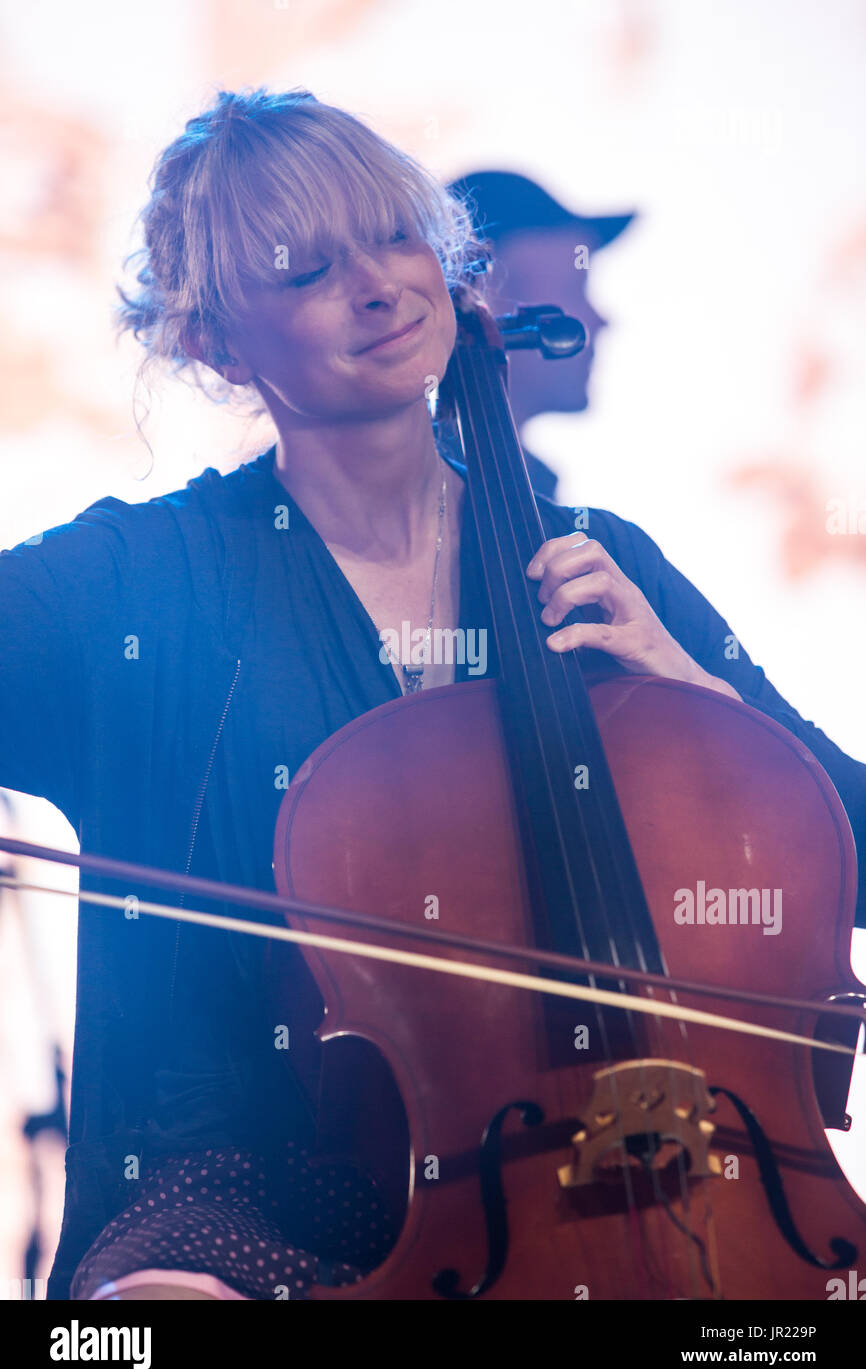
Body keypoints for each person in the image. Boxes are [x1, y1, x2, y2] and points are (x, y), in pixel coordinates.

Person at [1, 86, 864, 1302]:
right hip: (246, 1203)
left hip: (673, 1182)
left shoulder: (592, 557)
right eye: (306, 267)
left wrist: (689, 690)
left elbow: (853, 850)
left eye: (394, 237)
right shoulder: (139, 584)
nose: (377, 285)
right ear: (216, 342)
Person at [448, 170, 635, 498]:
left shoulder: (535, 488)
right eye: (577, 288)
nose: (600, 320)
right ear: (480, 297)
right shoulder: (430, 486)